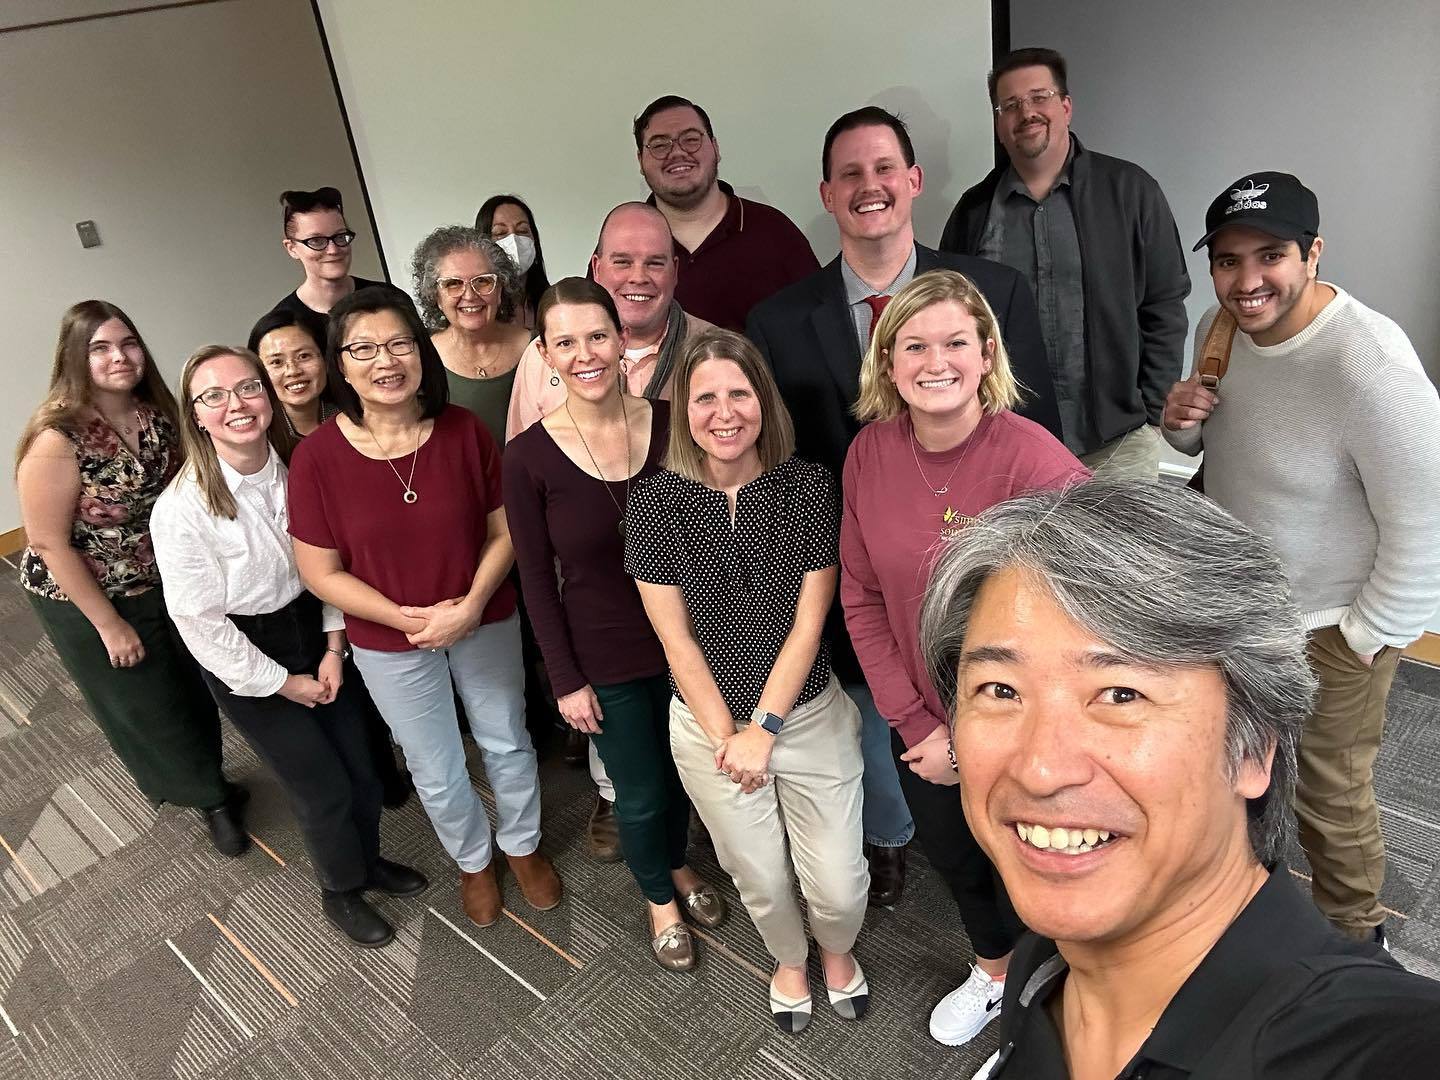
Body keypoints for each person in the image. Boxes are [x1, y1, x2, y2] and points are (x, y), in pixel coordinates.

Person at [919, 480, 1440, 1079]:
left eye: (1120, 694)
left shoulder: (1360, 1044)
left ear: (1252, 749)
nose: (1040, 770)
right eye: (1000, 690)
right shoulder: (1043, 962)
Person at [747, 106, 1060, 909]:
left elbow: (1040, 441)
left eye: (884, 168)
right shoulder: (778, 321)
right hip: (865, 584)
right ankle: (892, 839)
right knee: (888, 740)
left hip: (992, 611)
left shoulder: (996, 294)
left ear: (914, 181)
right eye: (849, 173)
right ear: (827, 193)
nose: (870, 186)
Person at [1163, 172, 1440, 945]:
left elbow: (1426, 527)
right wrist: (1180, 425)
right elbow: (1208, 448)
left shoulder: (1371, 367)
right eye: (1227, 260)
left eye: (1270, 256)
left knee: (1330, 793)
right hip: (1239, 603)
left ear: (1313, 253)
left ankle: (1357, 940)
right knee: (1240, 758)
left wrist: (1364, 637)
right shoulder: (1218, 331)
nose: (1247, 281)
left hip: (1331, 622)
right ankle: (1252, 899)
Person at [843, 270, 1089, 1047]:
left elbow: (1094, 608)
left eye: (955, 342)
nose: (934, 360)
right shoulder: (868, 453)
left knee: (1043, 876)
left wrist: (995, 729)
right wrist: (917, 725)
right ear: (888, 364)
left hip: (1025, 729)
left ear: (987, 354)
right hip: (923, 732)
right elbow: (860, 597)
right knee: (957, 861)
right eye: (912, 345)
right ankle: (994, 971)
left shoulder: (1036, 461)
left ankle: (1063, 1003)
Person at [288, 287, 560, 929]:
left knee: (508, 742)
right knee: (434, 764)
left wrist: (466, 608)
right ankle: (473, 861)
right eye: (364, 349)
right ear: (341, 364)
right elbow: (319, 571)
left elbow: (508, 532)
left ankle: (521, 847)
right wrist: (409, 619)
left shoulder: (464, 430)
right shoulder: (316, 458)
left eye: (399, 344)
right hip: (389, 639)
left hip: (484, 616)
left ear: (421, 352)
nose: (386, 361)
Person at [626, 329, 868, 1033]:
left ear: (763, 400)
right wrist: (729, 735)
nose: (724, 412)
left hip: (808, 716)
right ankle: (790, 960)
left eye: (739, 393)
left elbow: (808, 626)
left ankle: (837, 948)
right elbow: (676, 639)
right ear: (684, 410)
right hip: (709, 729)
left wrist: (763, 729)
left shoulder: (810, 486)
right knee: (759, 877)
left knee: (840, 884)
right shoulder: (654, 504)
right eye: (706, 397)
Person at [151, 345, 427, 947]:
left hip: (317, 629)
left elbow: (331, 564)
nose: (236, 405)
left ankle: (368, 862)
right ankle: (340, 889)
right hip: (245, 656)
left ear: (269, 394)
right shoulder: (182, 508)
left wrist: (333, 648)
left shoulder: (300, 464)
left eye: (248, 388)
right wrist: (282, 683)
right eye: (214, 396)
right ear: (195, 414)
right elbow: (199, 622)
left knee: (362, 766)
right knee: (320, 783)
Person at [505, 278, 726, 969]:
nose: (585, 354)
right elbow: (536, 578)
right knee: (638, 792)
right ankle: (660, 894)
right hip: (606, 652)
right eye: (565, 342)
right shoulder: (527, 457)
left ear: (622, 339)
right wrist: (565, 679)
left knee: (693, 775)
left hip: (697, 641)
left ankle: (680, 866)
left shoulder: (674, 420)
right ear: (544, 353)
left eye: (597, 336)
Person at [14, 301, 244, 854]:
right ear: (75, 357)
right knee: (149, 700)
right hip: (87, 592)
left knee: (192, 685)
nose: (120, 357)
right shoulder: (58, 438)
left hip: (163, 576)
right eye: (100, 347)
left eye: (129, 343)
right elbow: (48, 542)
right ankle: (209, 799)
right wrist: (110, 625)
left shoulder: (156, 411)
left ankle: (215, 778)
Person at [939, 47, 1191, 477]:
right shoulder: (973, 212)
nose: (1026, 113)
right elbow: (949, 320)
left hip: (1117, 447)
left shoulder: (1130, 192)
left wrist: (1149, 410)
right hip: (1009, 448)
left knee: (1120, 549)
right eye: (1011, 105)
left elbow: (1165, 303)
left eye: (1040, 97)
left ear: (1066, 106)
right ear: (999, 123)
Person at [247, 308, 414, 808]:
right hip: (301, 594)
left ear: (329, 361)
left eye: (304, 356)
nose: (293, 371)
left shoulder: (360, 417)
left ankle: (389, 771)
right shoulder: (257, 442)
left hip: (369, 582)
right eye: (276, 362)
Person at [507, 202, 716, 440]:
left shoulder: (714, 349)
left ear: (675, 271)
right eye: (622, 262)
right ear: (597, 268)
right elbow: (523, 460)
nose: (638, 277)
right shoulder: (543, 356)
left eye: (655, 263)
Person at [634, 94, 819, 331]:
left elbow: (819, 333)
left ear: (715, 147)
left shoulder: (775, 234)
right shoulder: (622, 243)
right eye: (659, 145)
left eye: (691, 140)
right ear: (640, 160)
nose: (677, 153)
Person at [412, 224, 532, 449]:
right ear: (435, 295)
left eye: (483, 281)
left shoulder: (537, 348)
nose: (469, 295)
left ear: (500, 289)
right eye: (453, 284)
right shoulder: (419, 358)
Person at [268, 187, 389, 320]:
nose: (333, 250)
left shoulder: (388, 299)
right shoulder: (285, 324)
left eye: (340, 236)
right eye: (316, 241)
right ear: (291, 248)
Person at [476, 194, 550, 330]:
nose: (514, 240)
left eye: (522, 231)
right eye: (500, 233)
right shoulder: (477, 307)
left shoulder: (551, 302)